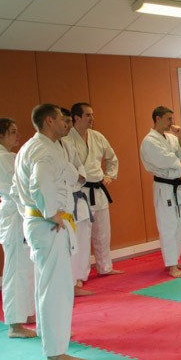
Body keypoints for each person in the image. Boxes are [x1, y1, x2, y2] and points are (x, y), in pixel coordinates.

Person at [11, 104, 87, 360]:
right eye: (61, 119)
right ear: (48, 121)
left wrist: (32, 213)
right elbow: (40, 181)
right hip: (48, 224)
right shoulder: (42, 150)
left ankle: (50, 335)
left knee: (47, 283)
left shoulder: (41, 147)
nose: (66, 124)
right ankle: (56, 353)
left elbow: (18, 188)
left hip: (39, 222)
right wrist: (50, 212)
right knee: (56, 287)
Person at [67, 103, 123, 278]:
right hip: (80, 192)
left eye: (92, 114)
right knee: (82, 236)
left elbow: (112, 158)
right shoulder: (67, 139)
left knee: (103, 233)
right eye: (88, 115)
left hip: (98, 190)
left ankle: (105, 267)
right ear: (76, 117)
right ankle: (79, 276)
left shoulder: (97, 136)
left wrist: (110, 175)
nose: (92, 118)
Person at [0, 118, 36, 338]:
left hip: (17, 213)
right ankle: (14, 324)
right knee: (16, 269)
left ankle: (25, 313)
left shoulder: (5, 156)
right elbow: (19, 187)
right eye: (12, 132)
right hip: (14, 214)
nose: (17, 136)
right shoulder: (1, 157)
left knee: (25, 267)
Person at [139, 106, 181, 278]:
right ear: (158, 118)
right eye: (169, 119)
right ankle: (171, 265)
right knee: (168, 226)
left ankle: (174, 259)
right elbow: (169, 161)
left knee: (179, 225)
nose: (172, 122)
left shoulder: (170, 138)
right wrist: (176, 157)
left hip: (177, 186)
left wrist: (180, 135)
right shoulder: (149, 141)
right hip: (164, 187)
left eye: (173, 119)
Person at [60, 108, 94, 297]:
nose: (66, 125)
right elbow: (66, 170)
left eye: (67, 121)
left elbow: (79, 167)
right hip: (64, 201)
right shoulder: (48, 146)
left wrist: (81, 176)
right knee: (68, 243)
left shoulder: (67, 143)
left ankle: (79, 279)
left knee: (81, 238)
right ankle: (72, 282)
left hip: (78, 196)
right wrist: (77, 176)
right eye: (63, 121)